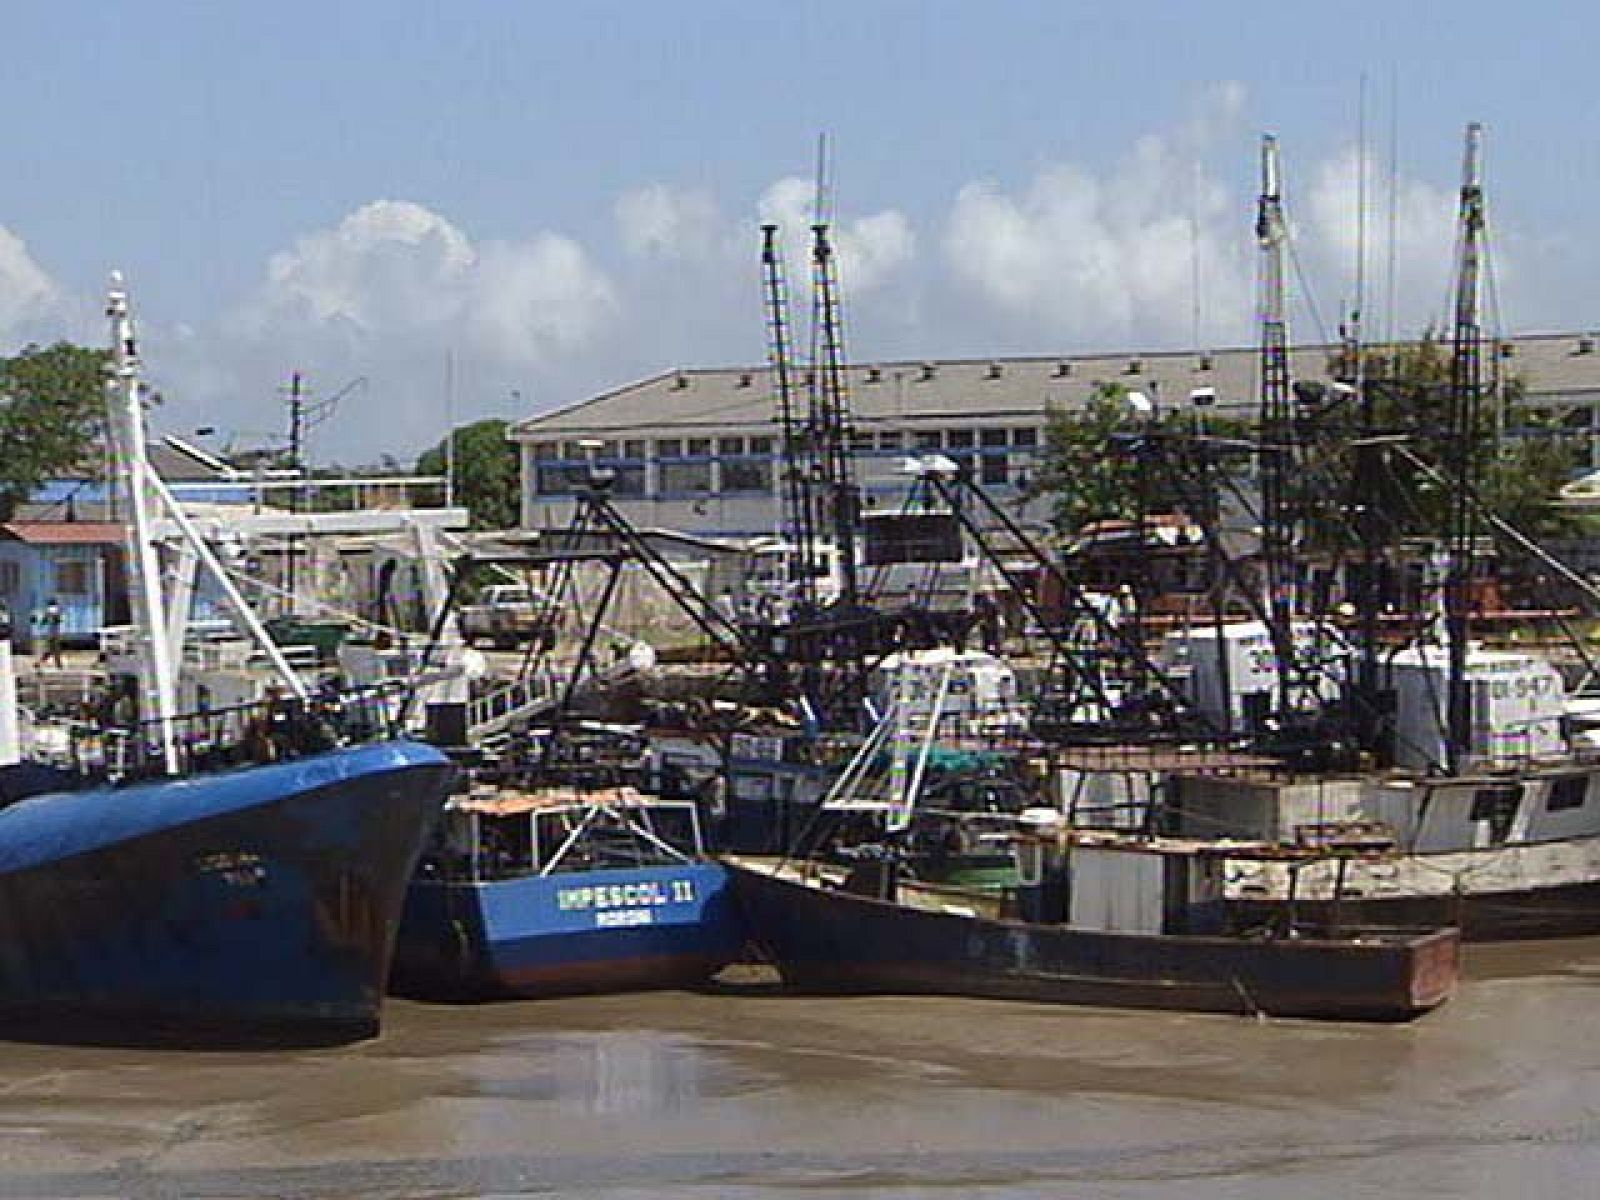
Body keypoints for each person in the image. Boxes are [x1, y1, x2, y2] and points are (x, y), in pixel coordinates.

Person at [39, 598, 63, 668]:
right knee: (56, 649)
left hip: (50, 634)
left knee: (51, 650)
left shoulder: (48, 612)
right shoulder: (56, 611)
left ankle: (39, 662)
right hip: (55, 634)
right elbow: (59, 620)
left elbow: (44, 621)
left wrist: (42, 625)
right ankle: (58, 664)